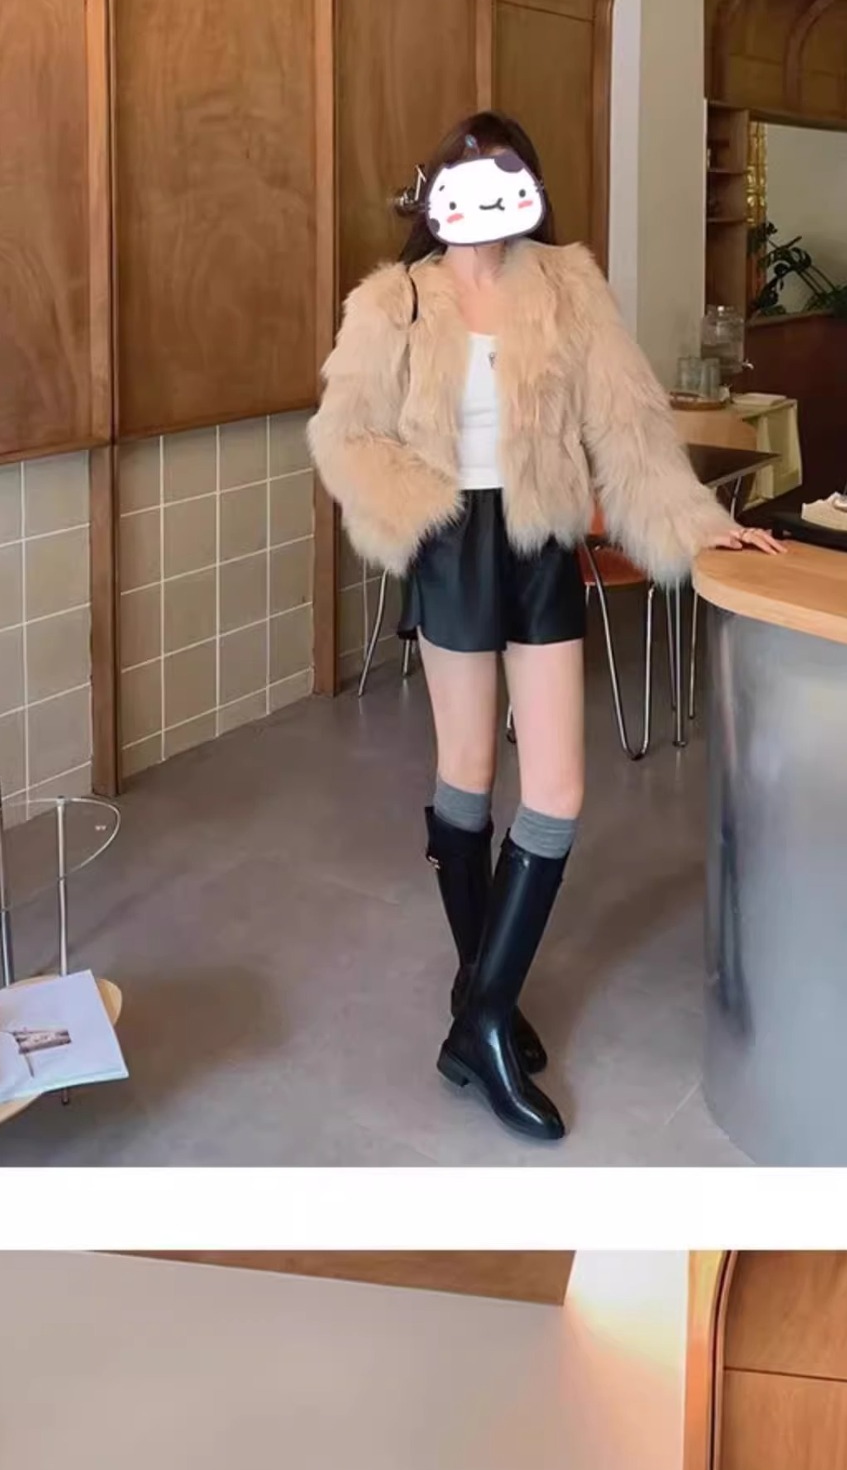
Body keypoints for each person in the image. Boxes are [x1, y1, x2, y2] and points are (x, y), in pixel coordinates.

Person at [308, 111, 784, 1143]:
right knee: (468, 771)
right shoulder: (395, 299)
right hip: (451, 541)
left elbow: (628, 421)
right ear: (440, 189)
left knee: (558, 788)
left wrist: (699, 525)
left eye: (503, 172)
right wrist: (421, 512)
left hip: (541, 542)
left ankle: (479, 1014)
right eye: (467, 173)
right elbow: (342, 437)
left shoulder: (568, 284)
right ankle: (481, 999)